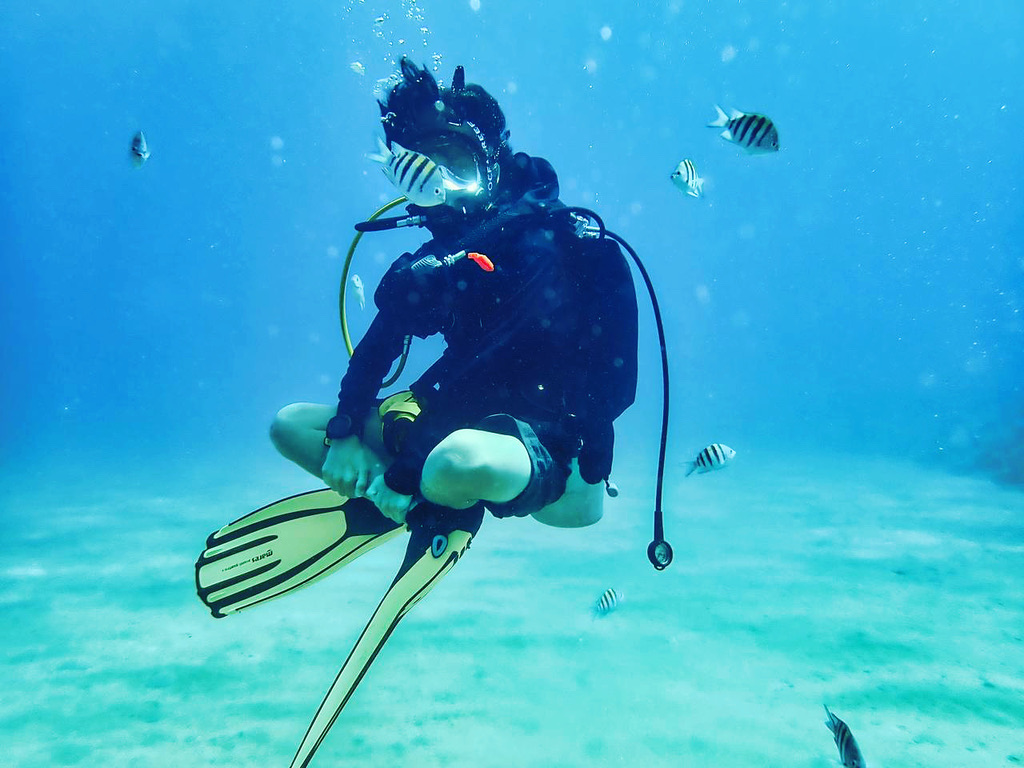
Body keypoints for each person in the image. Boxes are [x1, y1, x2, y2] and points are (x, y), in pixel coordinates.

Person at [195, 58, 638, 768]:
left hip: (555, 452)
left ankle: (421, 493)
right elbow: (378, 348)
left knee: (457, 459)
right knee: (291, 425)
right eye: (421, 163)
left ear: (492, 157)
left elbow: (595, 384)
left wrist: (576, 462)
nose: (443, 180)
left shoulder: (560, 241)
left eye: (456, 160)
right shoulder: (438, 257)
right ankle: (423, 504)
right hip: (442, 430)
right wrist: (344, 426)